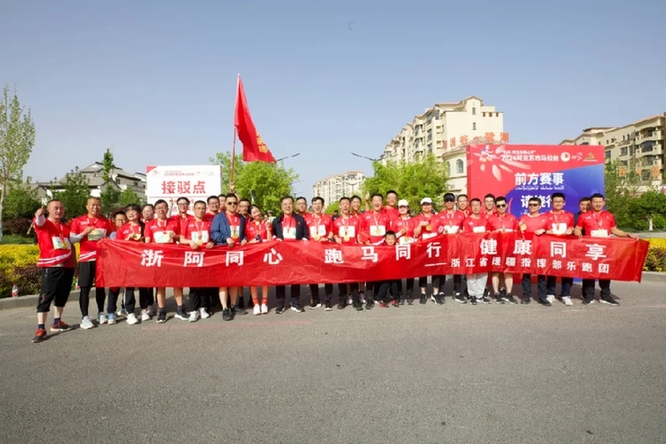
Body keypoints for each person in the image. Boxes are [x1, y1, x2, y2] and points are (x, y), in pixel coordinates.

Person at [574, 193, 638, 305]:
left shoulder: (609, 215)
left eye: (600, 202)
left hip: (605, 249)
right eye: (595, 202)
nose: (598, 204)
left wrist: (627, 234)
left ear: (604, 202)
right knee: (589, 271)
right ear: (591, 203)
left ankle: (605, 296)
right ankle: (589, 296)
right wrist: (577, 232)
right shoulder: (584, 216)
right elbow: (578, 228)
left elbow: (614, 230)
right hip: (591, 249)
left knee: (605, 271)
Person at [31, 200, 76, 342]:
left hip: (67, 265)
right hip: (51, 266)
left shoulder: (64, 226)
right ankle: (40, 327)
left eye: (61, 208)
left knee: (62, 295)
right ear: (48, 210)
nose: (59, 211)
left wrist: (75, 265)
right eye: (55, 208)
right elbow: (39, 221)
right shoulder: (44, 224)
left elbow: (72, 243)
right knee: (46, 296)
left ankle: (57, 321)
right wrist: (39, 215)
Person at [69, 196, 115, 329]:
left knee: (101, 287)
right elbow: (72, 240)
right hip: (86, 259)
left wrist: (109, 239)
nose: (96, 207)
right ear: (87, 206)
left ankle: (101, 312)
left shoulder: (105, 221)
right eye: (93, 205)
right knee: (85, 288)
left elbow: (112, 235)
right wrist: (84, 233)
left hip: (102, 259)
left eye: (98, 205)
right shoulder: (78, 221)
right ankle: (85, 317)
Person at [145, 199, 189, 323]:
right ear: (154, 210)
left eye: (164, 207)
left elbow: (181, 238)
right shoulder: (150, 224)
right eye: (158, 208)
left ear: (167, 209)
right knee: (160, 286)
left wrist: (175, 236)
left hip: (173, 258)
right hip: (159, 259)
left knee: (177, 284)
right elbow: (147, 243)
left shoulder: (174, 222)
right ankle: (162, 311)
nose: (161, 210)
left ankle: (180, 309)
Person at [211, 193, 248, 320]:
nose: (233, 205)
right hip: (223, 252)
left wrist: (244, 239)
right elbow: (214, 233)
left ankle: (233, 305)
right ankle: (225, 308)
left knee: (234, 281)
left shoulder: (241, 218)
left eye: (235, 203)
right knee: (223, 282)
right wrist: (225, 238)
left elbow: (244, 233)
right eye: (230, 203)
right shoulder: (219, 217)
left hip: (236, 253)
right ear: (225, 204)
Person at [271, 196, 309, 313]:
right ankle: (280, 304)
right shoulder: (277, 221)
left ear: (293, 205)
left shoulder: (300, 219)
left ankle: (295, 302)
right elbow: (272, 235)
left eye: (289, 204)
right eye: (285, 204)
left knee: (295, 278)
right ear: (281, 206)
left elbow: (305, 235)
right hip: (281, 255)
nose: (287, 206)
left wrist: (302, 244)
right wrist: (275, 239)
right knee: (280, 279)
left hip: (296, 254)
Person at [181, 200, 215, 322]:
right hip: (192, 256)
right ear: (193, 209)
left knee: (204, 283)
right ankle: (193, 310)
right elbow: (181, 239)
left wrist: (212, 242)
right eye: (198, 208)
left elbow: (213, 238)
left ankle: (203, 307)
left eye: (203, 208)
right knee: (194, 284)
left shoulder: (209, 223)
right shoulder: (187, 222)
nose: (201, 210)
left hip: (206, 256)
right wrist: (190, 242)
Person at [114, 204, 148, 324]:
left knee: (144, 286)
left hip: (142, 260)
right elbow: (117, 246)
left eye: (133, 211)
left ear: (139, 213)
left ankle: (144, 310)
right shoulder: (122, 229)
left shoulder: (145, 226)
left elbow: (151, 242)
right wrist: (126, 240)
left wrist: (144, 242)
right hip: (128, 262)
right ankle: (130, 313)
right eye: (128, 211)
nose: (130, 213)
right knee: (129, 287)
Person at [543, 192, 576, 306]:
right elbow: (543, 229)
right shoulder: (545, 215)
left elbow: (572, 227)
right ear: (551, 202)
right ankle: (550, 293)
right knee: (551, 269)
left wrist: (571, 229)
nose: (558, 203)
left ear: (564, 203)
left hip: (566, 246)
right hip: (551, 246)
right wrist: (547, 231)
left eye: (560, 201)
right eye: (555, 201)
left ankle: (566, 295)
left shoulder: (569, 215)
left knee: (567, 270)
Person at [486, 196, 518, 304]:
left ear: (506, 205)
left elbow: (516, 232)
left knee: (508, 271)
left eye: (503, 205)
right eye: (498, 206)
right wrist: (493, 233)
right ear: (495, 206)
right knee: (495, 271)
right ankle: (496, 293)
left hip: (509, 249)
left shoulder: (512, 218)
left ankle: (508, 293)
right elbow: (486, 233)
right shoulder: (491, 219)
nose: (501, 207)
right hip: (496, 249)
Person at [517, 197, 549, 305]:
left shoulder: (545, 218)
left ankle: (542, 297)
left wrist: (544, 230)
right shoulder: (523, 218)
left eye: (535, 205)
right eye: (530, 204)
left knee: (541, 273)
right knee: (526, 273)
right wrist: (519, 227)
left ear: (539, 206)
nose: (532, 206)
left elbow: (552, 231)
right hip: (527, 249)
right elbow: (517, 233)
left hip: (541, 249)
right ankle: (526, 296)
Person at [305, 197, 334, 309]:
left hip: (325, 250)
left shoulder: (327, 218)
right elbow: (305, 234)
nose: (317, 206)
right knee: (313, 276)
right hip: (312, 251)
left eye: (319, 204)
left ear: (322, 206)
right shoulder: (307, 219)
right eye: (315, 204)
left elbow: (331, 232)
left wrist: (328, 238)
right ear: (312, 206)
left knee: (328, 276)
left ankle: (328, 300)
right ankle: (315, 299)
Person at [333, 197, 362, 310]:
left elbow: (359, 235)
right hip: (341, 253)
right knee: (341, 278)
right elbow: (333, 234)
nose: (345, 206)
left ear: (350, 206)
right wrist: (336, 237)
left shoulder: (356, 220)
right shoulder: (336, 221)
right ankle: (342, 300)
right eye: (343, 204)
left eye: (347, 204)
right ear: (339, 206)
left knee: (353, 278)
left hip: (353, 253)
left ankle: (356, 301)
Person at [390, 199, 421, 304]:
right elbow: (391, 237)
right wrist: (400, 233)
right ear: (398, 209)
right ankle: (398, 295)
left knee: (410, 272)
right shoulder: (395, 221)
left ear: (408, 208)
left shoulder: (414, 220)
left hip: (410, 249)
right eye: (400, 207)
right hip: (399, 249)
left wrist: (414, 240)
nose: (402, 209)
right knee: (398, 273)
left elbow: (417, 235)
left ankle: (409, 294)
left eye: (404, 207)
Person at [438, 193, 466, 303]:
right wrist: (441, 231)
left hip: (457, 245)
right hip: (444, 246)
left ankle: (458, 291)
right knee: (442, 268)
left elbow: (466, 228)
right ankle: (441, 291)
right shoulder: (439, 215)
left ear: (454, 202)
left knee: (457, 267)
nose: (449, 202)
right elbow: (436, 229)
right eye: (447, 200)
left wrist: (462, 231)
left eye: (451, 200)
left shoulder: (461, 215)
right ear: (444, 203)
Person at [462, 198, 491, 304]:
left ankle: (480, 295)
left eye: (477, 205)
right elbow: (465, 236)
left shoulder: (485, 220)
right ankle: (472, 295)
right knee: (471, 273)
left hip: (483, 250)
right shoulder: (467, 221)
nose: (475, 207)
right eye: (473, 205)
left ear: (481, 206)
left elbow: (489, 233)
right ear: (470, 207)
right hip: (471, 250)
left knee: (483, 273)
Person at [245, 205, 272, 314]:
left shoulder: (266, 223)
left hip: (264, 254)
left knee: (265, 279)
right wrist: (252, 242)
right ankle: (256, 304)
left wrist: (268, 229)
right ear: (250, 215)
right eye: (254, 212)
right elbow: (246, 241)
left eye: (258, 211)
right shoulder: (248, 225)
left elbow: (270, 240)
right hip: (253, 255)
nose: (257, 213)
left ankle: (264, 303)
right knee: (253, 280)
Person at [416, 197, 442, 305]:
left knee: (436, 270)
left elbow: (441, 231)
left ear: (432, 206)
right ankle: (423, 293)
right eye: (424, 205)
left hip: (435, 247)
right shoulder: (417, 218)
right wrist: (420, 225)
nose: (426, 207)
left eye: (428, 204)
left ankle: (435, 293)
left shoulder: (437, 218)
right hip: (422, 248)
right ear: (421, 207)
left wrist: (443, 231)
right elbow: (415, 234)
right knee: (423, 271)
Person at [375, 231, 401, 308]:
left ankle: (396, 298)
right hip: (384, 270)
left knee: (394, 285)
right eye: (388, 239)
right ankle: (381, 299)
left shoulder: (398, 246)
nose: (390, 241)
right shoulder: (381, 246)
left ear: (395, 239)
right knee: (384, 285)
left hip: (395, 270)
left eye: (392, 239)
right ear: (385, 240)